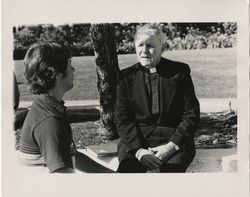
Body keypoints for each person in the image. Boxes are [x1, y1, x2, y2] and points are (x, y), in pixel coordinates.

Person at [115, 24, 200, 173]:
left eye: (150, 46)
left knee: (172, 174)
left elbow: (191, 114)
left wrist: (172, 146)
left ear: (163, 47)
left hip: (173, 140)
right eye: (140, 45)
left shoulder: (179, 72)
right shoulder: (125, 77)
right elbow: (123, 119)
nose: (144, 51)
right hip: (136, 142)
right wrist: (139, 152)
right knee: (127, 175)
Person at [18, 42, 76, 173]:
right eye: (69, 65)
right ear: (53, 73)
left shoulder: (47, 106)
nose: (73, 70)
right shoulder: (50, 121)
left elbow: (71, 155)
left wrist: (110, 175)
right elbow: (63, 182)